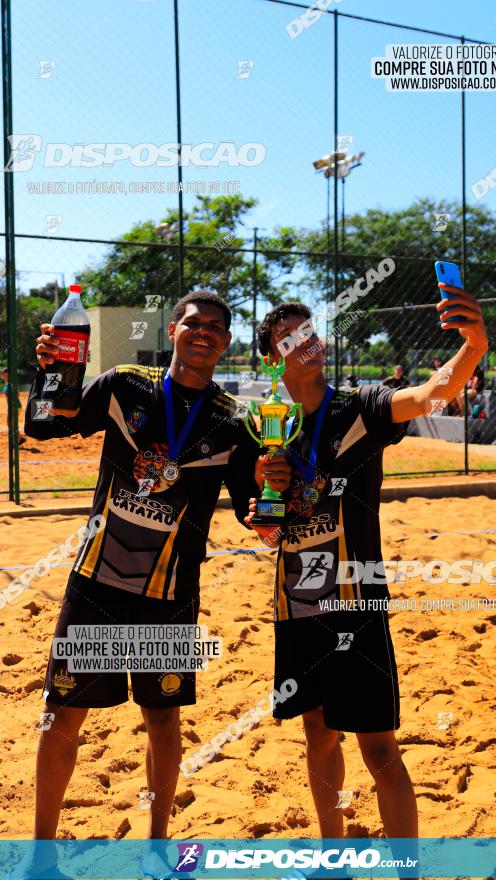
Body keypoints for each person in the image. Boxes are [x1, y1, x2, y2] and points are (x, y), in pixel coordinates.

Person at [22, 290, 290, 874]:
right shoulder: (125, 385)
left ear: (226, 341)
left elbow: (254, 513)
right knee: (63, 715)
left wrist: (277, 490)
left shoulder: (233, 423)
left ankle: (157, 846)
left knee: (163, 718)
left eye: (217, 328)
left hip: (168, 595)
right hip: (97, 582)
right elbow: (45, 427)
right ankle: (41, 855)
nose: (205, 333)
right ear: (173, 329)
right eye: (195, 323)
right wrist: (52, 375)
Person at [245, 277, 488, 848]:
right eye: (286, 335)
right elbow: (264, 530)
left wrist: (473, 346)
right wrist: (265, 505)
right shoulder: (266, 427)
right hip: (296, 604)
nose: (302, 340)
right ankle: (333, 853)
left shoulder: (362, 407)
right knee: (319, 736)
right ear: (272, 357)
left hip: (355, 601)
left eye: (308, 330)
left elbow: (435, 390)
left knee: (379, 749)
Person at [1, 367, 26, 446]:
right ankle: (19, 438)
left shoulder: (11, 383)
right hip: (13, 406)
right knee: (10, 423)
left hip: (15, 406)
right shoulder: (8, 383)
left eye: (4, 373)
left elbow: (17, 394)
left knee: (11, 423)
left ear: (8, 374)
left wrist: (12, 405)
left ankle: (18, 439)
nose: (2, 374)